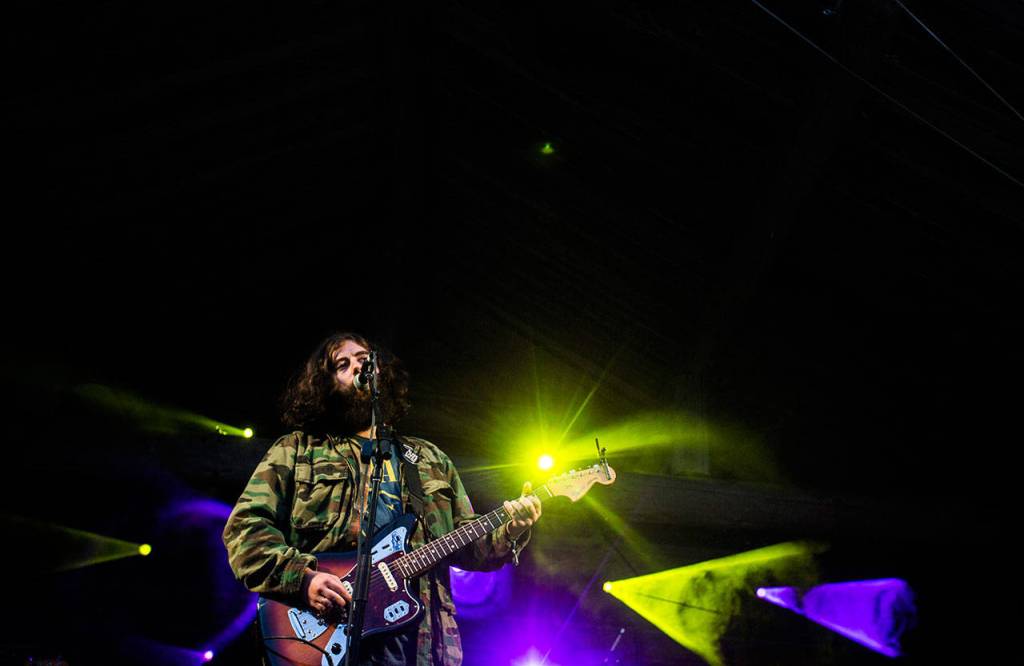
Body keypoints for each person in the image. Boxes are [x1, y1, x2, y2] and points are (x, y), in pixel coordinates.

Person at [222, 332, 542, 665]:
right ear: (325, 383)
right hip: (323, 638)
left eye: (364, 359)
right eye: (342, 364)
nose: (357, 368)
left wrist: (511, 529)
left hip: (422, 648)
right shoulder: (297, 450)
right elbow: (244, 532)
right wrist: (303, 580)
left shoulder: (429, 459)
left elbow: (468, 546)